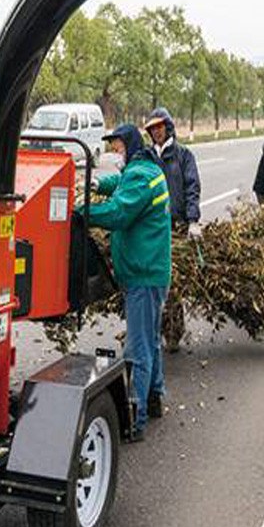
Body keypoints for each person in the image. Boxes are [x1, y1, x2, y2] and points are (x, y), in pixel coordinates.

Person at [83, 124, 171, 441]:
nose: (115, 152)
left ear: (130, 145)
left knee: (138, 348)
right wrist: (93, 183)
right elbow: (118, 184)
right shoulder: (145, 169)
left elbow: (119, 213)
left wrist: (83, 212)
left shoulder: (139, 176)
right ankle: (156, 396)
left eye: (118, 146)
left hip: (144, 276)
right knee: (151, 338)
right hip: (150, 272)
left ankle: (137, 418)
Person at [144, 107, 201, 351]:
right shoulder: (146, 156)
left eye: (160, 127)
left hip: (175, 225)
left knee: (172, 280)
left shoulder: (183, 155)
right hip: (151, 228)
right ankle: (153, 329)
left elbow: (192, 186)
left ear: (168, 127)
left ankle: (174, 332)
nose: (156, 132)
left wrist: (193, 219)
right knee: (152, 279)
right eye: (152, 129)